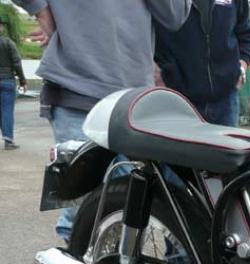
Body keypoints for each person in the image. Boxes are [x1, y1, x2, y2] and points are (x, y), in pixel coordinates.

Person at [11, 0, 191, 241]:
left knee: (130, 207)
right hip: (77, 88)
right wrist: (41, 10)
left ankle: (106, 260)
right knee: (83, 213)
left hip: (133, 98)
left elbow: (175, 15)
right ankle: (79, 256)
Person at [155, 0, 250, 127]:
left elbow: (245, 34)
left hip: (226, 101)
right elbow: (142, 28)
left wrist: (241, 67)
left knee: (227, 141)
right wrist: (156, 69)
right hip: (177, 99)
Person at [0, 18, 26, 150]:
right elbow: (17, 62)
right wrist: (22, 80)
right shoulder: (8, 43)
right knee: (7, 110)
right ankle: (8, 141)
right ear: (1, 27)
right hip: (7, 80)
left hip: (7, 80)